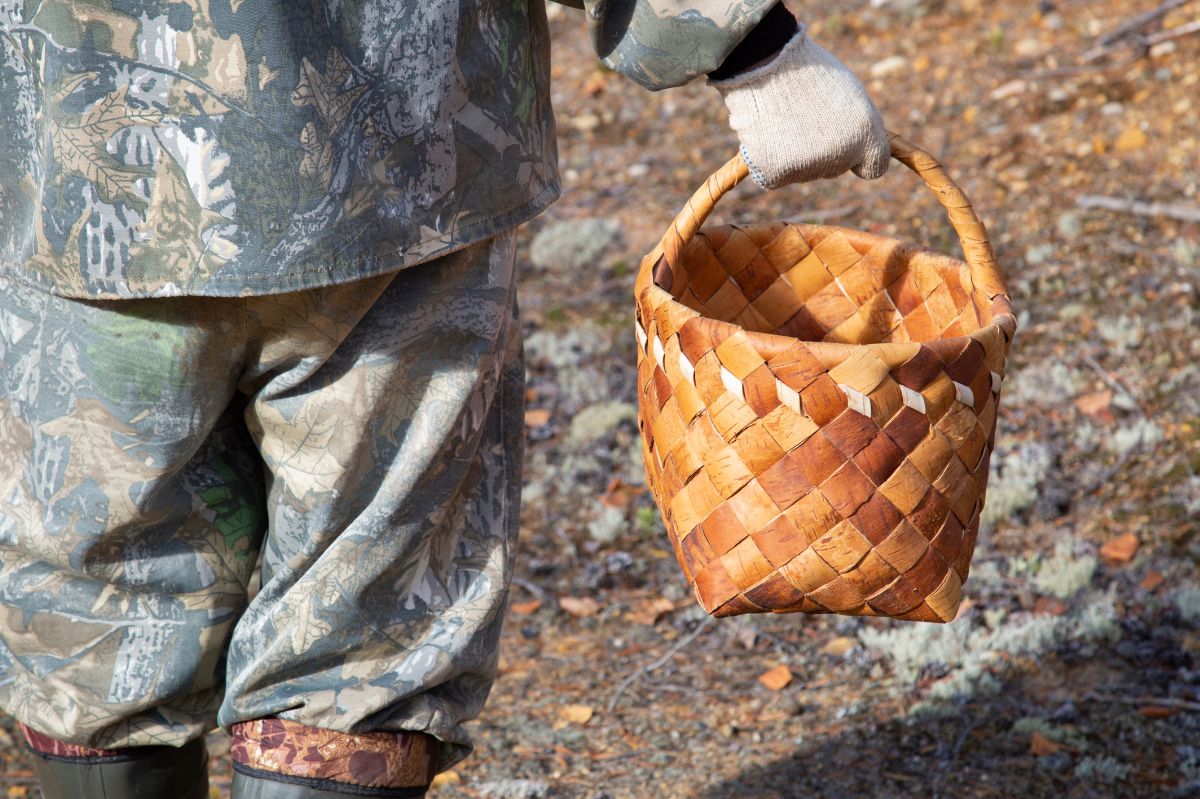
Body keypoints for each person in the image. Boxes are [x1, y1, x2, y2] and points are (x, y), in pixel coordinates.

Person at [0, 1, 888, 796]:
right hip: (397, 166)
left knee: (100, 616)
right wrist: (752, 47)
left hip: (75, 171)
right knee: (363, 630)